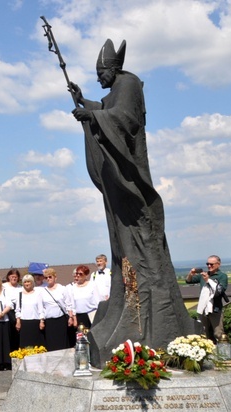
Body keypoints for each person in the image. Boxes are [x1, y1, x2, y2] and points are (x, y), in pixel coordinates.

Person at [69, 39, 192, 364]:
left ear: (113, 69)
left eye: (101, 73)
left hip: (133, 178)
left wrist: (93, 117)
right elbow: (110, 109)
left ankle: (152, 322)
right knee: (122, 241)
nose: (99, 78)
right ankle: (127, 306)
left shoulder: (130, 83)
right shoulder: (118, 86)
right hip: (122, 181)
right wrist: (88, 104)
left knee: (140, 239)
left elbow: (124, 118)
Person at [186, 255, 229, 342]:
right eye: (207, 264)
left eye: (211, 264)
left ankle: (222, 351)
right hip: (203, 308)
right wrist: (190, 274)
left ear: (218, 264)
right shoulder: (204, 275)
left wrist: (208, 280)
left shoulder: (222, 276)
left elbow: (220, 290)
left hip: (215, 308)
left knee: (218, 333)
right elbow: (188, 281)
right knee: (203, 332)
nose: (209, 266)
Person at [41, 268, 75, 351]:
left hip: (61, 319)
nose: (48, 279)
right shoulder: (43, 291)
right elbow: (41, 308)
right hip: (49, 321)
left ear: (55, 277)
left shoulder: (62, 288)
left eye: (50, 277)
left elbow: (68, 304)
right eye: (46, 278)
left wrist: (70, 317)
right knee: (51, 342)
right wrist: (42, 320)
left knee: (62, 342)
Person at [68, 265, 100, 347]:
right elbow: (72, 304)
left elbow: (98, 301)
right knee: (81, 339)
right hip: (79, 316)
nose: (78, 275)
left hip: (91, 314)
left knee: (93, 337)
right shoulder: (73, 288)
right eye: (77, 274)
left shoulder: (92, 285)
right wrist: (74, 318)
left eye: (80, 274)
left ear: (86, 275)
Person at [16, 274, 45, 348]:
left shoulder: (37, 294)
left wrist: (42, 321)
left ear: (32, 283)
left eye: (29, 282)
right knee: (25, 346)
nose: (27, 284)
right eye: (25, 282)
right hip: (24, 323)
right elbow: (18, 310)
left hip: (35, 323)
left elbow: (41, 309)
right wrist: (18, 321)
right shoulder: (19, 295)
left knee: (36, 346)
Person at [3, 268, 22, 352]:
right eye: (12, 276)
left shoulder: (20, 288)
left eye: (16, 277)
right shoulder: (4, 286)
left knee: (17, 332)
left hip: (18, 311)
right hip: (7, 311)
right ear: (8, 277)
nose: (14, 278)